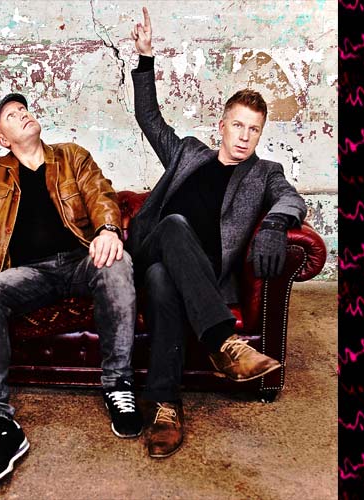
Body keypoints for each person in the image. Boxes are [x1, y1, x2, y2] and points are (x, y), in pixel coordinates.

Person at [0, 93, 142, 486]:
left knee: (118, 263)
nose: (22, 114)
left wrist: (108, 230)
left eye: (23, 109)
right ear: (2, 139)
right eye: (12, 115)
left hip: (80, 260)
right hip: (30, 273)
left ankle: (118, 384)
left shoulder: (71, 156)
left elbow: (101, 194)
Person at [126, 7, 308, 459]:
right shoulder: (188, 152)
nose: (244, 136)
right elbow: (149, 118)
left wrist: (274, 223)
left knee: (163, 282)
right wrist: (146, 58)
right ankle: (224, 343)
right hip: (151, 248)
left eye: (254, 130)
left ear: (260, 135)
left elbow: (292, 199)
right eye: (238, 125)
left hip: (198, 273)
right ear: (221, 126)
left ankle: (165, 408)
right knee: (173, 227)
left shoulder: (265, 173)